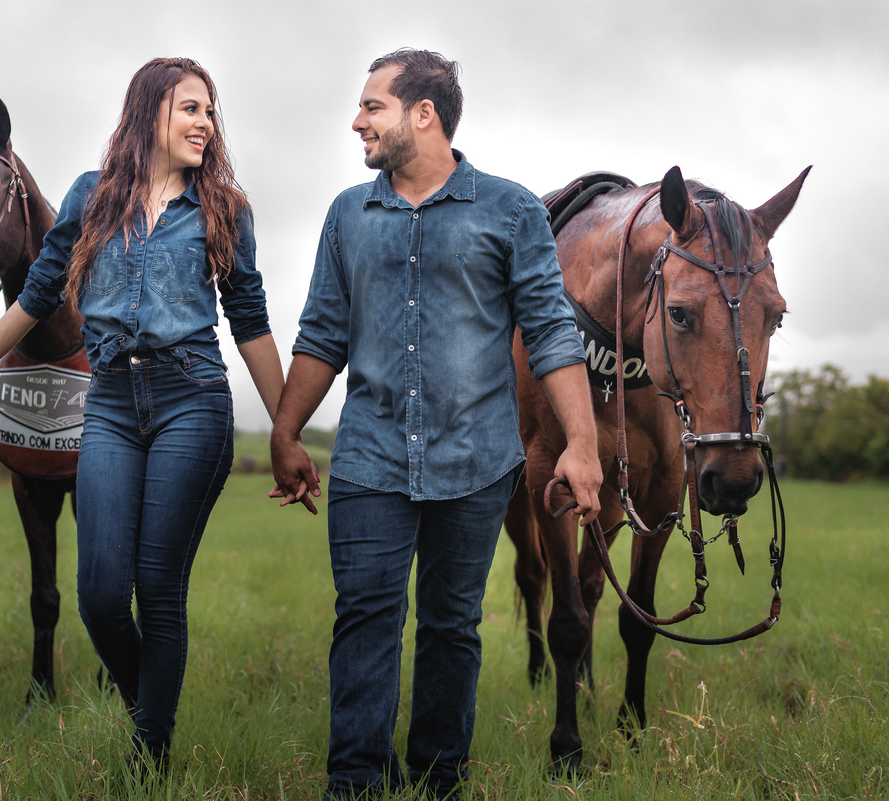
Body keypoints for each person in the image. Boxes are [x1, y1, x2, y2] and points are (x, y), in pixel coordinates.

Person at [0, 57, 285, 770]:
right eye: (191, 108)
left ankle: (148, 756)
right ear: (149, 110)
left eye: (211, 112)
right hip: (113, 405)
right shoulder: (89, 197)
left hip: (193, 399)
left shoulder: (223, 205)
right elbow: (37, 293)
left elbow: (250, 321)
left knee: (158, 588)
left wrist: (285, 431)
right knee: (98, 594)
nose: (205, 124)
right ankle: (151, 711)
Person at [269, 49, 602, 798]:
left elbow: (551, 334)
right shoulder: (347, 214)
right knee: (365, 618)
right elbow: (323, 332)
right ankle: (353, 779)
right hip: (368, 456)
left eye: (372, 106)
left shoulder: (513, 210)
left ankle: (437, 777)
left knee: (452, 626)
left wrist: (582, 444)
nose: (357, 121)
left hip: (477, 460)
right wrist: (287, 432)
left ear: (425, 114)